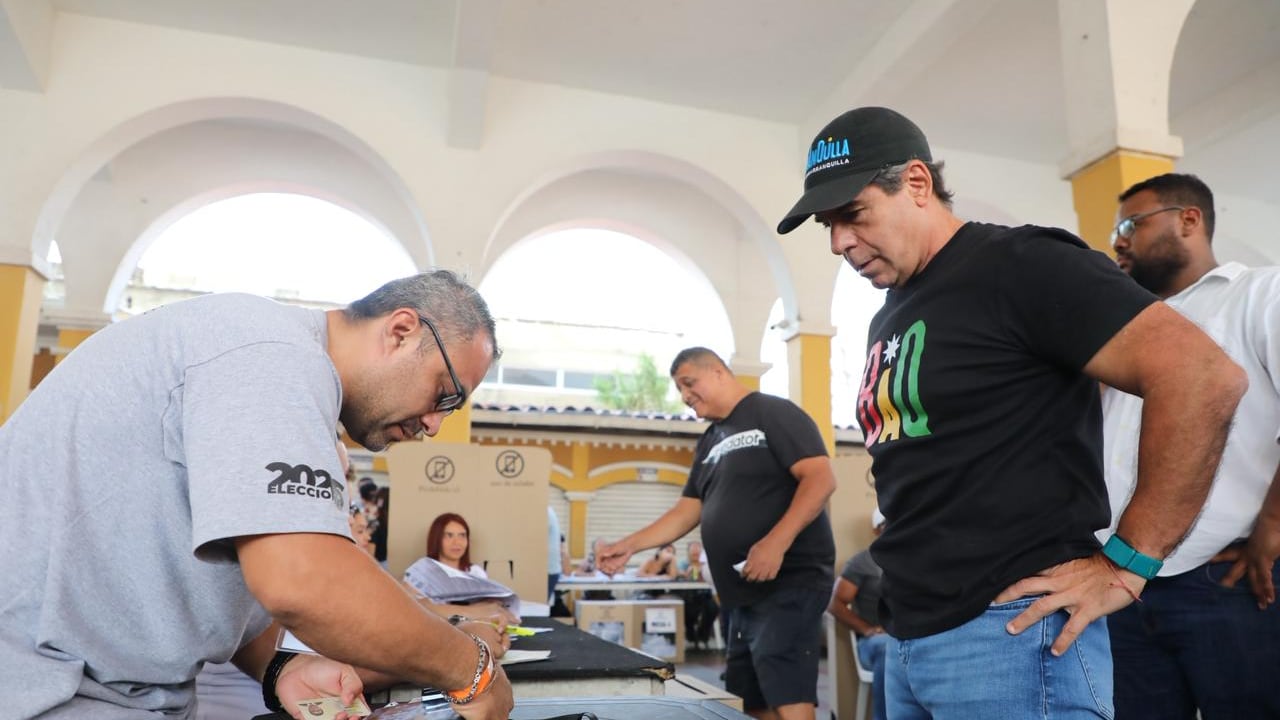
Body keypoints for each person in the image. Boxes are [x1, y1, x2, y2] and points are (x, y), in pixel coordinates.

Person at [775, 106, 1247, 718]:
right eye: (827, 225)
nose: (839, 241)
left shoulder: (1019, 264)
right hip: (909, 636)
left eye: (853, 215)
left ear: (917, 184)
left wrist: (1129, 564)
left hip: (1011, 635)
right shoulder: (890, 312)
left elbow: (1202, 377)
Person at [0, 270, 514, 719]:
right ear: (401, 332)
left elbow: (232, 584)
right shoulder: (271, 353)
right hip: (48, 695)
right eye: (444, 394)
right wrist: (471, 667)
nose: (435, 423)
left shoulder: (279, 373)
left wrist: (281, 669)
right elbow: (301, 579)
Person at [1102, 173, 1280, 719]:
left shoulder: (1258, 293)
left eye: (1132, 223)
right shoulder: (1122, 324)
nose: (1118, 241)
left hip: (1227, 578)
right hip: (1121, 586)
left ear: (1189, 220)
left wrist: (1272, 526)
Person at [599, 347, 836, 720]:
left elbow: (820, 478)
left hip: (788, 583)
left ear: (720, 373)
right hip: (739, 594)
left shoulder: (773, 413)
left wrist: (776, 541)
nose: (684, 396)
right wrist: (628, 546)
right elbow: (687, 510)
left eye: (690, 383)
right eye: (679, 389)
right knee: (750, 700)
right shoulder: (710, 441)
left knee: (788, 693)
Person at [827, 509, 889, 720]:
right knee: (886, 647)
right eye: (886, 524)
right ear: (876, 530)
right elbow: (835, 604)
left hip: (907, 636)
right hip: (875, 643)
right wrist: (867, 629)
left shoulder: (914, 561)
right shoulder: (862, 562)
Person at [424, 512, 488, 578]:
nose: (457, 542)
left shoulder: (476, 573)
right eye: (449, 535)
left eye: (462, 535)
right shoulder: (423, 574)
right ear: (436, 539)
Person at [547, 506, 563, 604]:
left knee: (536, 610)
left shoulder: (545, 512)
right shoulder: (548, 510)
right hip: (549, 570)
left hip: (547, 570)